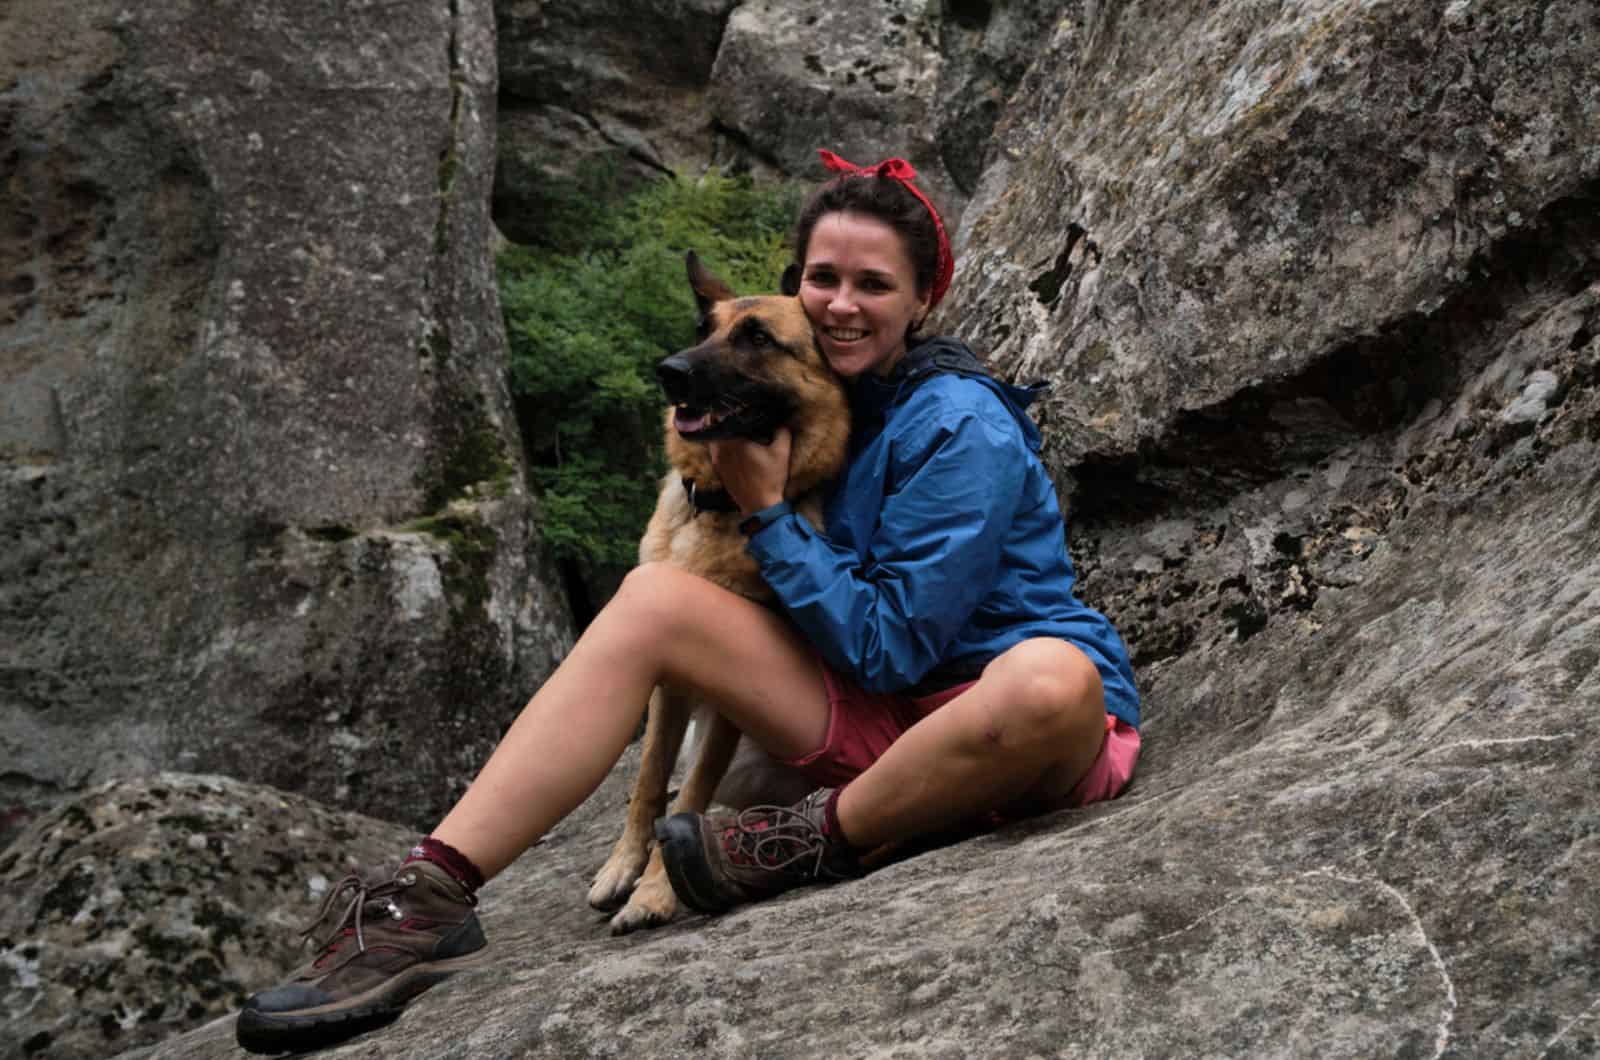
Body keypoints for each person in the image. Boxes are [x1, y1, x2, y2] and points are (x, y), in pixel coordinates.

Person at [235, 148, 1141, 1054]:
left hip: (992, 733)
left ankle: (795, 842)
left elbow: (894, 647)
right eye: (822, 278)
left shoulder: (958, 422)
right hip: (877, 729)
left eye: (875, 284)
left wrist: (771, 517)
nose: (842, 303)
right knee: (651, 599)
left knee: (1050, 681)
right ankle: (425, 898)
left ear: (922, 301)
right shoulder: (826, 406)